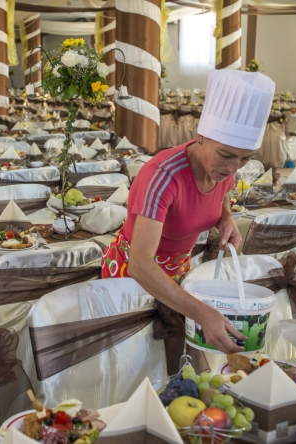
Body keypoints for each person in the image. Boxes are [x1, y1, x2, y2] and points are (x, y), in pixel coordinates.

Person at [102, 69, 276, 360]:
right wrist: (201, 312)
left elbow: (220, 196)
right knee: (133, 359)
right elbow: (140, 265)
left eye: (245, 159)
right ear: (201, 137)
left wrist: (226, 218)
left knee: (169, 353)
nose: (234, 169)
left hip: (178, 270)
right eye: (226, 155)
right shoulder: (163, 176)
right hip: (130, 276)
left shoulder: (223, 172)